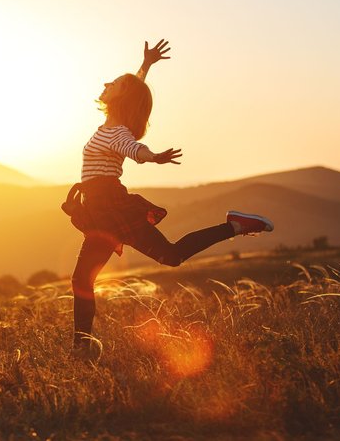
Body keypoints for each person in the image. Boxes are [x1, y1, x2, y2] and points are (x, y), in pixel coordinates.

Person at [62, 39, 274, 353]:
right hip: (97, 210)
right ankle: (82, 346)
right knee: (87, 278)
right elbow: (132, 90)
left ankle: (236, 226)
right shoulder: (111, 123)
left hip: (110, 208)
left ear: (121, 96)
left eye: (115, 83)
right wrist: (145, 66)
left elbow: (135, 149)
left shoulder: (117, 132)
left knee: (166, 258)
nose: (107, 83)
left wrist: (154, 156)